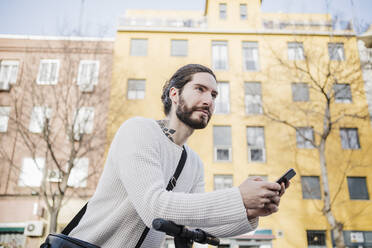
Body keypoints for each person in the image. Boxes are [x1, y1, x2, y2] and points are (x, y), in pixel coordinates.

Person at [69, 64, 288, 247]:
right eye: (200, 89)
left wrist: (250, 211)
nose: (209, 100)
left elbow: (196, 225)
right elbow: (154, 208)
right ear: (174, 94)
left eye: (213, 95)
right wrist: (240, 197)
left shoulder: (193, 162)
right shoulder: (139, 130)